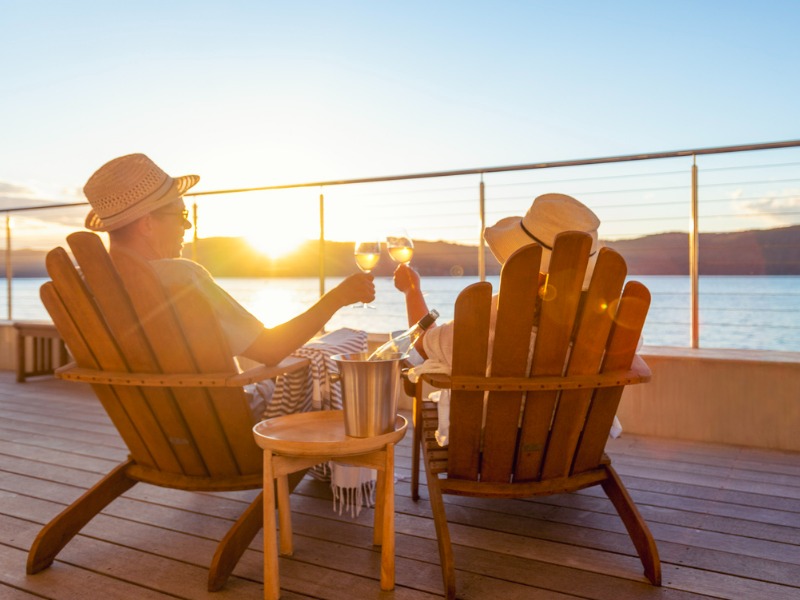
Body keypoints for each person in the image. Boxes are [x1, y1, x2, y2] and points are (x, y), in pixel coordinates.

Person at [83, 152, 375, 372]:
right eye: (181, 217)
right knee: (328, 363)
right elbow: (271, 350)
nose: (188, 228)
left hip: (151, 432)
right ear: (147, 224)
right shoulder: (181, 277)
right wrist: (338, 297)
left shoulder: (89, 287)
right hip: (232, 434)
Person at [393, 193, 615, 445]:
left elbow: (424, 345)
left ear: (524, 265)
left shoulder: (493, 317)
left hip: (494, 453)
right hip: (570, 449)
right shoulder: (605, 328)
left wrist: (412, 291)